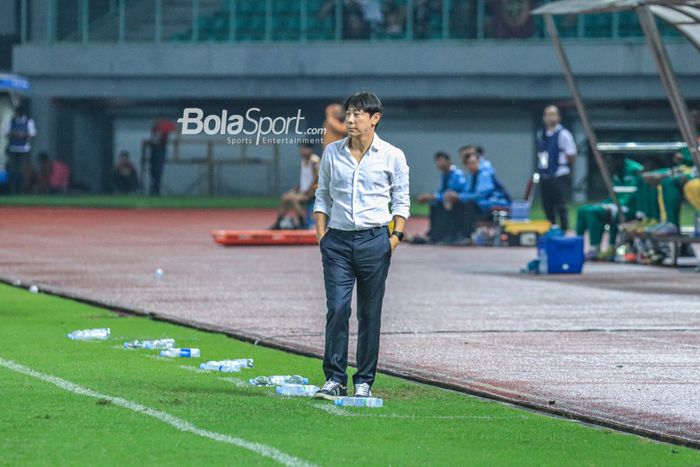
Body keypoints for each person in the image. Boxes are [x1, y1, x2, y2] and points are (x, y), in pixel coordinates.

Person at [313, 91, 409, 400]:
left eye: (357, 114)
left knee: (370, 313)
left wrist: (394, 239)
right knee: (338, 309)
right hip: (337, 241)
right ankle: (334, 378)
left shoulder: (393, 155)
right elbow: (322, 195)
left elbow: (402, 201)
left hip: (375, 241)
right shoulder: (331, 152)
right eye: (348, 114)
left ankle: (364, 380)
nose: (350, 120)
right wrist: (321, 235)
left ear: (374, 119)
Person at [576, 157, 642, 260]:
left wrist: (614, 205)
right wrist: (606, 203)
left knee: (593, 212)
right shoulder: (616, 173)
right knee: (583, 210)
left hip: (629, 207)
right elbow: (613, 195)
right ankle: (577, 247)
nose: (608, 165)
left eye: (609, 162)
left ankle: (595, 248)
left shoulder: (634, 169)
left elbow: (632, 195)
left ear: (618, 160)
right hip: (616, 204)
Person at [448, 151, 511, 239]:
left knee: (469, 205)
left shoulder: (484, 174)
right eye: (469, 164)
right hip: (482, 203)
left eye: (473, 163)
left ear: (479, 162)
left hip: (496, 201)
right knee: (458, 204)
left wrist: (460, 197)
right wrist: (456, 196)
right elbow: (467, 191)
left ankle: (466, 236)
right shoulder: (471, 175)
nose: (471, 166)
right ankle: (453, 234)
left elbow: (481, 194)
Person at [536, 105, 577, 231]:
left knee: (560, 204)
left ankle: (564, 229)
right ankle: (552, 228)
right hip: (545, 174)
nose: (550, 117)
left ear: (558, 117)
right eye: (547, 114)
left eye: (553, 114)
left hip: (559, 173)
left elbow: (571, 154)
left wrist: (568, 168)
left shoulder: (564, 134)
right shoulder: (541, 134)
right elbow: (542, 152)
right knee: (547, 204)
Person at [414, 152, 468, 244]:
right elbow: (442, 192)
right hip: (446, 200)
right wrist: (433, 197)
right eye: (437, 161)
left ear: (449, 161)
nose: (439, 164)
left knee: (443, 206)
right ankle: (434, 234)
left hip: (458, 202)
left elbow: (453, 192)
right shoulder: (444, 175)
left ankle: (448, 234)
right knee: (434, 205)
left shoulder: (457, 174)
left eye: (441, 161)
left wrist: (433, 196)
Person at [271, 143, 320, 229]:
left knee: (293, 199)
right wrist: (297, 187)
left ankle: (303, 223)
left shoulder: (314, 161)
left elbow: (318, 178)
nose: (302, 151)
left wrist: (311, 191)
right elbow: (305, 178)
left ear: (310, 150)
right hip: (302, 191)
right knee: (285, 197)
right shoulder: (303, 160)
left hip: (312, 193)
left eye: (304, 149)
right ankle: (278, 223)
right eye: (301, 149)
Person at [3, 104, 37, 195]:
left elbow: (32, 134)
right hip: (13, 148)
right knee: (13, 171)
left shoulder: (28, 121)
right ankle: (12, 190)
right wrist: (15, 134)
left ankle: (21, 191)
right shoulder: (11, 121)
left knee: (22, 171)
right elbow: (6, 133)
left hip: (24, 149)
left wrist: (23, 135)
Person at [147, 117, 176, 196]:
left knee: (158, 170)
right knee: (152, 171)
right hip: (154, 151)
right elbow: (153, 140)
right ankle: (154, 188)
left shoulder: (164, 131)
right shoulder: (154, 130)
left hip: (160, 151)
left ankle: (156, 190)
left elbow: (161, 141)